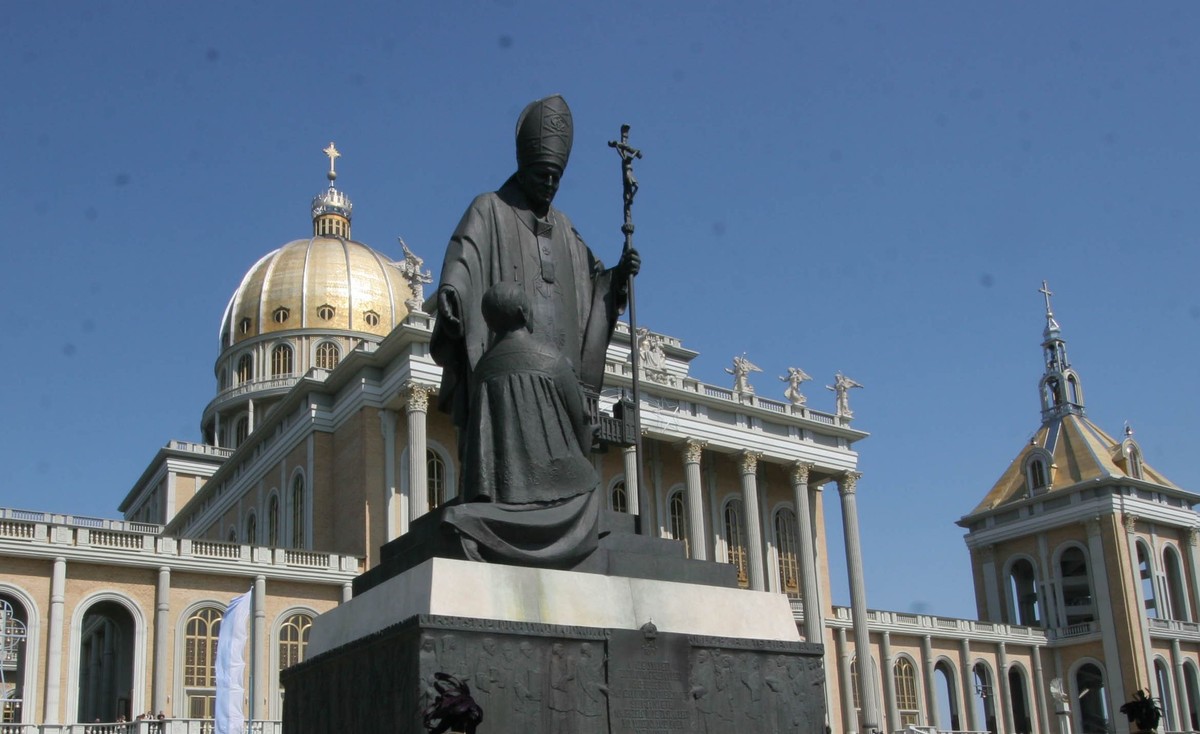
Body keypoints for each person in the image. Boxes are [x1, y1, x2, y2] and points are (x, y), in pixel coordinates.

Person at [431, 94, 640, 464]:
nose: (548, 184)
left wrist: (618, 277)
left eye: (555, 178)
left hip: (559, 366)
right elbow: (466, 254)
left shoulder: (566, 228)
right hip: (506, 362)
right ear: (522, 169)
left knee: (563, 456)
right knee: (507, 451)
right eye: (541, 175)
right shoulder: (490, 209)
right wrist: (452, 291)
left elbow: (595, 286)